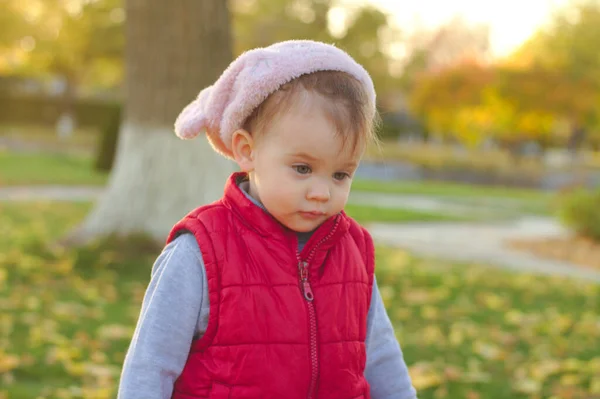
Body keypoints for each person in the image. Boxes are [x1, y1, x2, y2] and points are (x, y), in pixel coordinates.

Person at [118, 40, 417, 399]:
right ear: (248, 150)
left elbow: (380, 358)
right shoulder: (200, 251)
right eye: (303, 168)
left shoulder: (352, 249)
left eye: (341, 175)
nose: (322, 192)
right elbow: (150, 365)